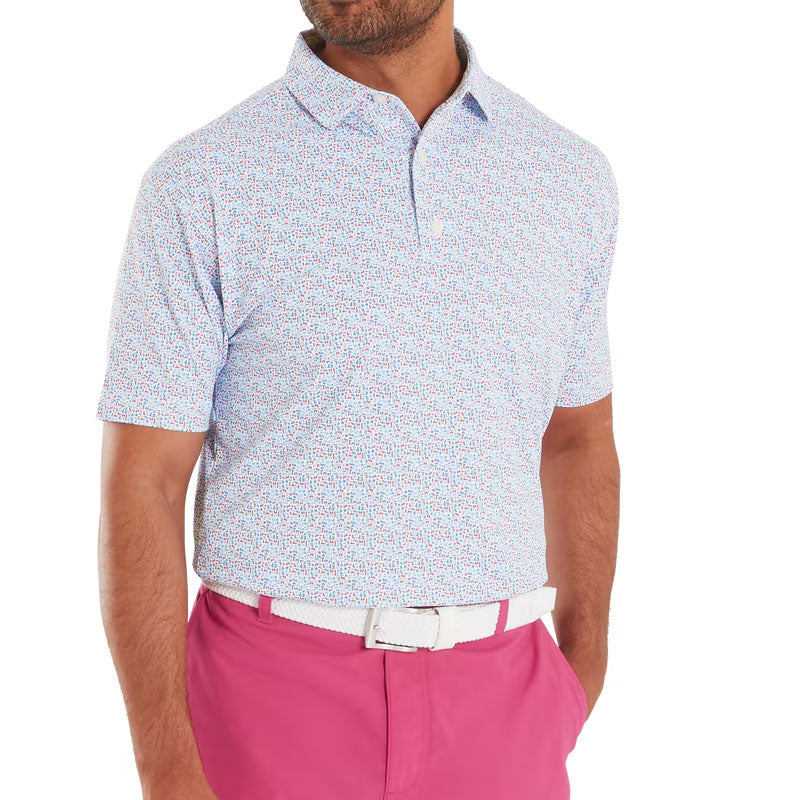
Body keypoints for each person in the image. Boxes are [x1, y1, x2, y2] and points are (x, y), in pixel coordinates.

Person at [95, 1, 620, 798]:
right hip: (265, 703)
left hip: (504, 706)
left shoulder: (567, 178)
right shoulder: (205, 182)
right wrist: (168, 770)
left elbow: (577, 436)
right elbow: (146, 480)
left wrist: (580, 669)